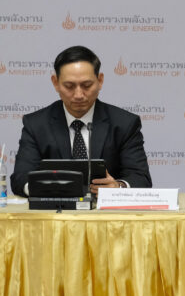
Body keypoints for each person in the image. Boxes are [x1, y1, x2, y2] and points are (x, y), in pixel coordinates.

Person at [11, 46, 152, 196]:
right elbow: (20, 178)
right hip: (55, 208)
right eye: (69, 86)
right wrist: (44, 188)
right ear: (55, 83)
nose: (78, 95)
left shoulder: (124, 123)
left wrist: (118, 188)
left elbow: (141, 178)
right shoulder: (36, 124)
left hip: (105, 209)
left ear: (100, 81)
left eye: (86, 85)